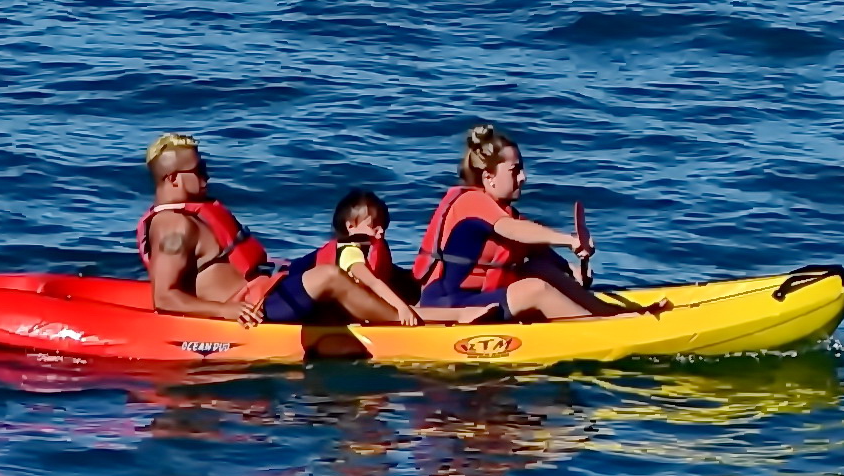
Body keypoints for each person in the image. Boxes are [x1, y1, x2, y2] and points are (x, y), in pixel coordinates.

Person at [138, 133, 412, 328]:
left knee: (338, 252)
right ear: (172, 178)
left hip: (265, 288)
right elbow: (164, 297)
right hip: (253, 309)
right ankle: (410, 321)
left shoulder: (193, 214)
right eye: (199, 170)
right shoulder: (172, 226)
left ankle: (410, 294)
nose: (206, 176)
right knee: (329, 275)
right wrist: (227, 311)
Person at [411, 124, 667, 321]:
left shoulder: (507, 213)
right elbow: (513, 230)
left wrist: (576, 271)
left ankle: (609, 314)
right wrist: (567, 239)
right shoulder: (471, 203)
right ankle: (601, 328)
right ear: (489, 178)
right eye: (515, 170)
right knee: (534, 289)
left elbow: (541, 254)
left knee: (538, 267)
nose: (524, 177)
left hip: (479, 300)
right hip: (447, 305)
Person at [285, 189, 420, 326]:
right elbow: (373, 282)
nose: (381, 231)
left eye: (383, 226)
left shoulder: (367, 249)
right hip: (304, 293)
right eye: (373, 225)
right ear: (350, 226)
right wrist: (401, 307)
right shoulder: (350, 252)